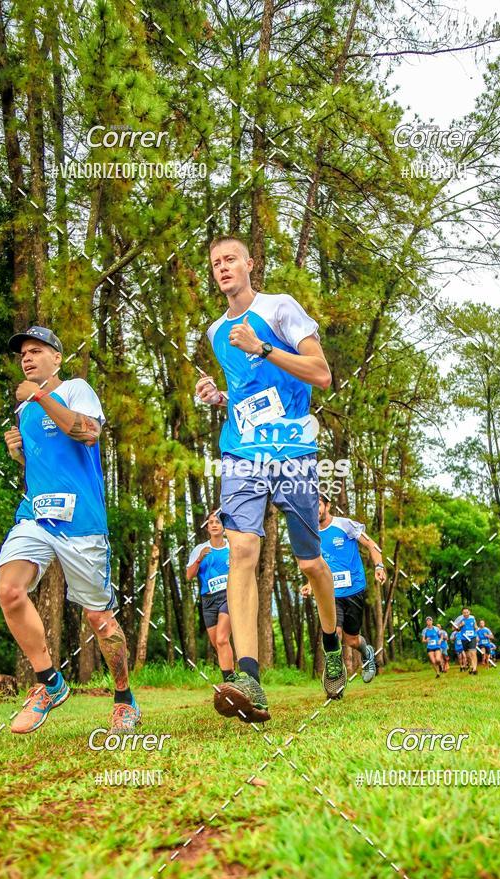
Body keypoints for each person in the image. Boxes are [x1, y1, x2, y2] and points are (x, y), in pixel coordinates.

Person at [195, 235, 344, 723]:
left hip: (295, 452)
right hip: (241, 453)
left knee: (311, 564)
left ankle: (331, 644)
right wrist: (220, 397)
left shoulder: (279, 308)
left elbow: (320, 373)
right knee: (242, 551)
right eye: (215, 263)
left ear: (249, 264)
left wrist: (262, 348)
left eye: (230, 259)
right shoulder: (217, 331)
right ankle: (249, 680)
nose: (222, 268)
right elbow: (248, 393)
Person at [0, 326, 140, 733]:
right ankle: (49, 682)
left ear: (56, 358)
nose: (27, 358)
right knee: (9, 589)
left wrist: (40, 396)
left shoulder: (76, 389)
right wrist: (20, 457)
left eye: (36, 351)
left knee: (99, 618)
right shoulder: (25, 411)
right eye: (23, 353)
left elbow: (88, 433)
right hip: (36, 516)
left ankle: (124, 698)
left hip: (82, 522)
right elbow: (47, 468)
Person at [300, 494, 386, 684]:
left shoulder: (345, 525)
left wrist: (379, 566)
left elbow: (372, 545)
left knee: (351, 640)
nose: (315, 510)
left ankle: (366, 652)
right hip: (330, 593)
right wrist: (309, 584)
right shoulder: (310, 533)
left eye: (319, 505)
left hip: (354, 589)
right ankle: (336, 675)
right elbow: (314, 564)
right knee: (334, 633)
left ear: (327, 505)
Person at [186, 511, 234, 680]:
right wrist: (199, 559)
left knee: (222, 639)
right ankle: (232, 678)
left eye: (217, 522)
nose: (214, 525)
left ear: (224, 527)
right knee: (218, 644)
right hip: (208, 600)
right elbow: (189, 576)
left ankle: (230, 682)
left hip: (228, 596)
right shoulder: (200, 548)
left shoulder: (232, 546)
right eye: (211, 522)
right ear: (207, 527)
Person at [453, 607, 478, 675]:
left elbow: (475, 627)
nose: (466, 614)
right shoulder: (459, 619)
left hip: (472, 637)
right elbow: (453, 628)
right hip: (464, 638)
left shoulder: (472, 618)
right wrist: (460, 625)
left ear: (469, 612)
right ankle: (471, 666)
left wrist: (477, 634)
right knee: (468, 655)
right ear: (462, 613)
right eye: (464, 613)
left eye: (467, 612)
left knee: (473, 653)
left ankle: (475, 669)